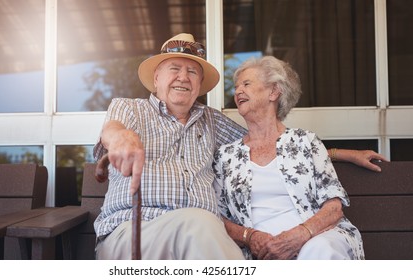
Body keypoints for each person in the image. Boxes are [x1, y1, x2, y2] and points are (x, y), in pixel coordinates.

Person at [93, 33, 385, 260]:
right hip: (135, 233)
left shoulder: (212, 122)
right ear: (156, 79)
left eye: (192, 72)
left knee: (204, 228)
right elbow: (113, 130)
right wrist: (121, 138)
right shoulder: (130, 110)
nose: (183, 77)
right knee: (200, 222)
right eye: (174, 69)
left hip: (201, 243)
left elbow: (269, 140)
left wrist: (341, 153)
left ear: (199, 86)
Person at [212, 55, 366, 260]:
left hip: (315, 239)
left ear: (274, 91)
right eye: (237, 86)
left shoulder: (306, 142)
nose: (238, 90)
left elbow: (334, 207)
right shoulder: (226, 156)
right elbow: (219, 217)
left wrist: (300, 235)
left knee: (318, 250)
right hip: (258, 251)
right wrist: (250, 237)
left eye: (247, 84)